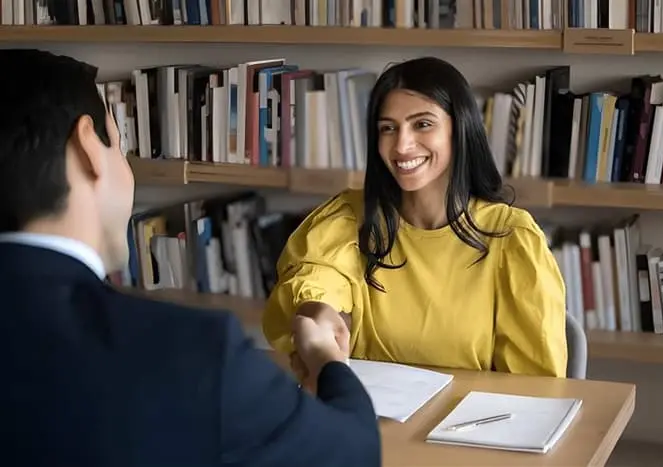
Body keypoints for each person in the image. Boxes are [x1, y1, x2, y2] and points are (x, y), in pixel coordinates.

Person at [0, 49, 380, 467]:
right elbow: (354, 451)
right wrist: (326, 359)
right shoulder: (190, 354)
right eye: (121, 146)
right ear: (89, 147)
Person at [263, 57, 567, 383]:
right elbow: (318, 281)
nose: (402, 146)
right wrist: (318, 314)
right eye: (388, 128)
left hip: (465, 428)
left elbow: (536, 387)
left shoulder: (512, 238)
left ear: (459, 128)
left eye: (422, 124)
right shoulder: (350, 218)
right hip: (367, 420)